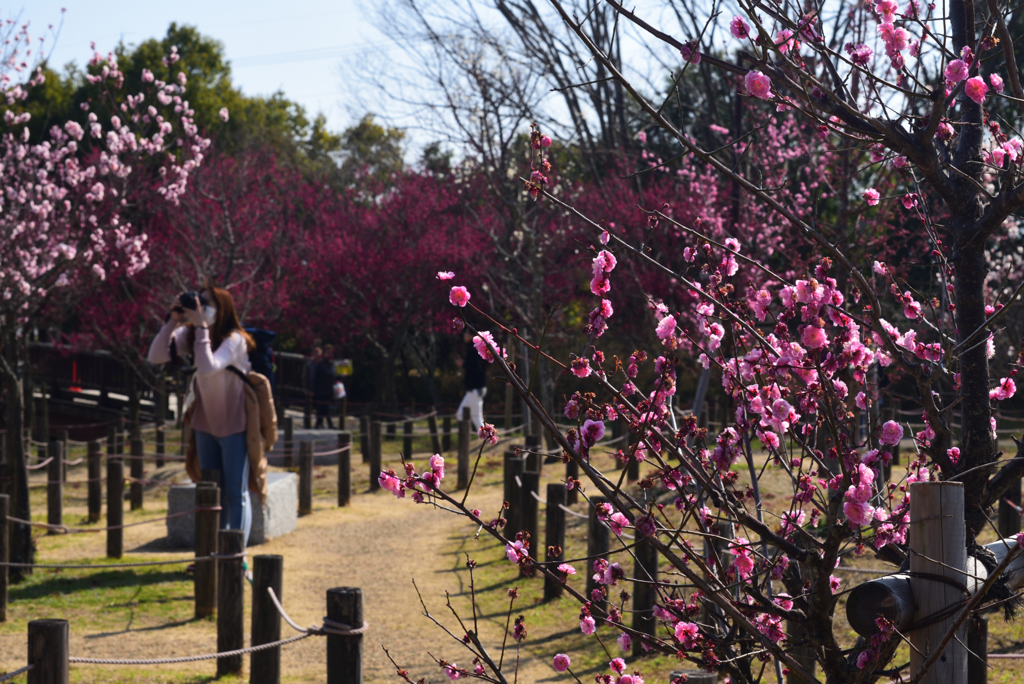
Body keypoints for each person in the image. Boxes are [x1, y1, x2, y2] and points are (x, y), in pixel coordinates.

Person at [147, 286, 257, 547]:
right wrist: (174, 320)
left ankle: (234, 555)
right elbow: (156, 356)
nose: (200, 308)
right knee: (210, 492)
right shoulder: (193, 333)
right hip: (205, 425)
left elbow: (207, 368)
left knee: (235, 493)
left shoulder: (235, 339)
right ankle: (210, 553)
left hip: (235, 426)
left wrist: (201, 329)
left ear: (222, 309)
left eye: (205, 304)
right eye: (198, 303)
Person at [455, 331, 487, 429]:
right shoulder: (477, 349)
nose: (464, 335)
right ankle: (485, 437)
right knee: (475, 417)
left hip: (475, 389)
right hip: (476, 389)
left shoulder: (473, 350)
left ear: (472, 336)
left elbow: (477, 368)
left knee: (466, 416)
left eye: (466, 333)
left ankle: (485, 437)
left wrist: (463, 364)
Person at [313, 344, 336, 429]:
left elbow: (334, 376)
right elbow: (315, 377)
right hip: (321, 389)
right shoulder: (320, 364)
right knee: (322, 407)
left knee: (325, 407)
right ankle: (325, 423)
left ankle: (320, 423)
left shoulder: (332, 364)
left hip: (329, 389)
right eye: (327, 352)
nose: (329, 354)